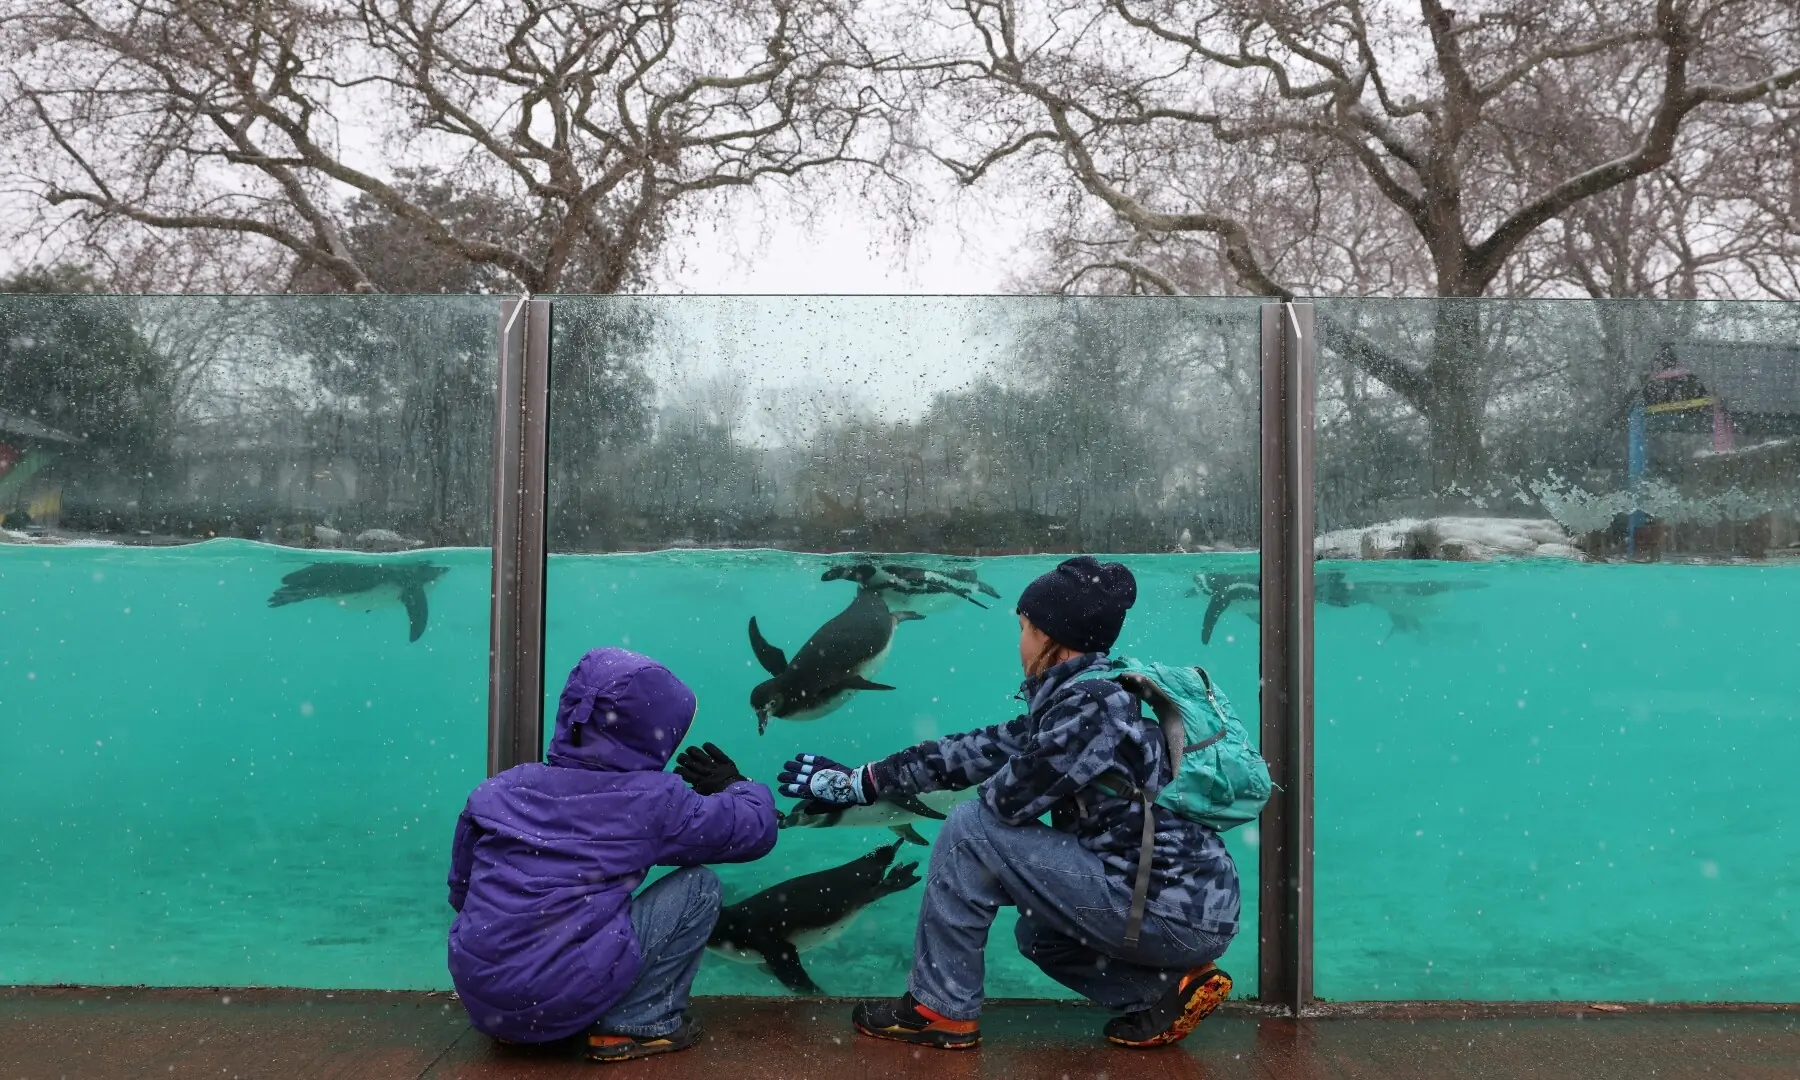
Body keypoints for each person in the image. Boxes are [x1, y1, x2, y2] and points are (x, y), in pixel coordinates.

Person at [779, 556, 1238, 1050]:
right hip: (1177, 905)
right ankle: (1164, 995)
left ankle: (939, 1008)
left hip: (1170, 911)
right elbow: (976, 750)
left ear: (1051, 638)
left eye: (1025, 628)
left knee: (970, 827)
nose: (1020, 642)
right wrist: (866, 781)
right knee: (1040, 936)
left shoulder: (1090, 712)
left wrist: (993, 798)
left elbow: (1005, 804)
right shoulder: (1087, 699)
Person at [448, 647, 774, 1062]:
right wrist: (735, 784)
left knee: (529, 933)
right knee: (700, 886)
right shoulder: (652, 800)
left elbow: (462, 888)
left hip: (481, 995)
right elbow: (754, 832)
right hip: (559, 993)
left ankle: (518, 1024)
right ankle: (641, 1023)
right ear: (653, 732)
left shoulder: (502, 789)